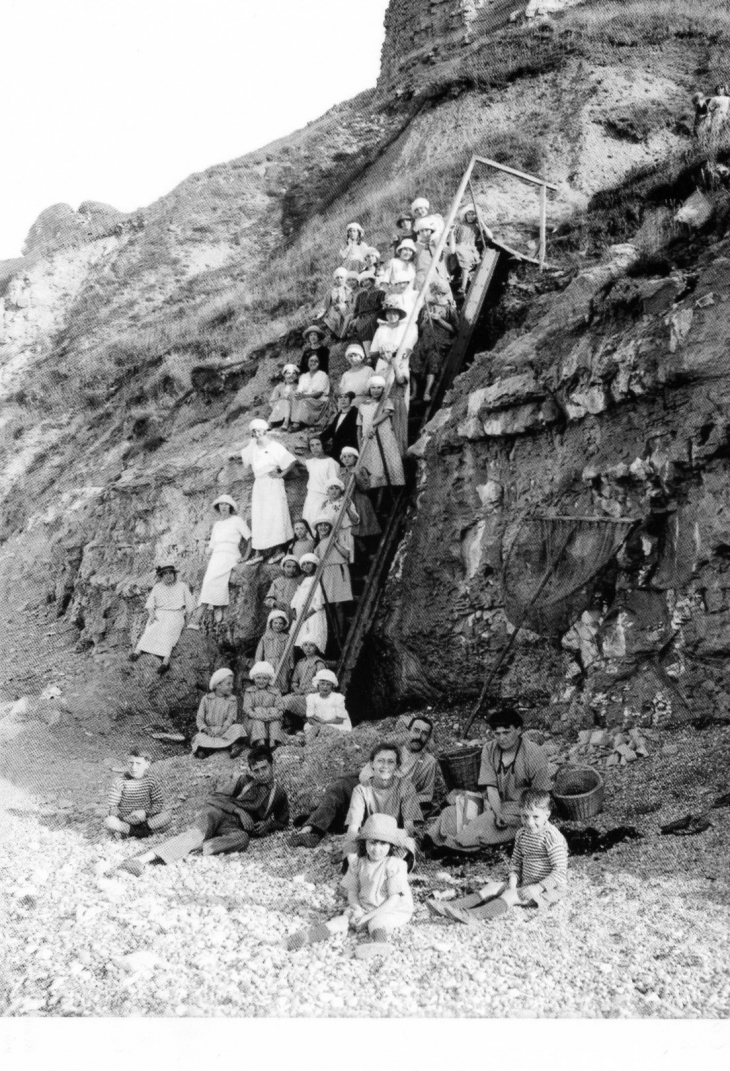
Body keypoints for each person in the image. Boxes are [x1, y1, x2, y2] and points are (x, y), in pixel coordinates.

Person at [115, 745, 289, 875]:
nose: (261, 773)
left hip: (235, 828)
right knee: (196, 834)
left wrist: (268, 825)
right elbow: (215, 797)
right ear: (250, 769)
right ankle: (141, 860)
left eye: (264, 768)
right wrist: (239, 811)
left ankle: (191, 849)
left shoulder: (279, 793)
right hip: (217, 813)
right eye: (256, 770)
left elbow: (282, 820)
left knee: (242, 840)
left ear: (272, 765)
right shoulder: (242, 780)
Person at [290, 717, 437, 848]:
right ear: (408, 732)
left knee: (363, 818)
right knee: (339, 787)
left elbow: (426, 796)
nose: (419, 736)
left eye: (424, 733)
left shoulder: (429, 763)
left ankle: (319, 817)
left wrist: (403, 799)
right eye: (416, 730)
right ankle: (310, 831)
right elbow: (365, 773)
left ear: (428, 737)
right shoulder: (392, 748)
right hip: (372, 784)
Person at [284, 814, 414, 960]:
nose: (377, 849)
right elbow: (352, 892)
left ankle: (380, 944)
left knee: (377, 922)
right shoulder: (358, 863)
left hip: (392, 908)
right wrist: (357, 909)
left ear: (391, 846)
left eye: (383, 844)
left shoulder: (394, 865)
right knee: (342, 920)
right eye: (372, 843)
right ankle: (308, 937)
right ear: (364, 843)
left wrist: (368, 917)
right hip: (366, 905)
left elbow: (394, 899)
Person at [429, 789, 568, 924]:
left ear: (547, 815)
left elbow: (560, 871)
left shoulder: (552, 837)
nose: (530, 822)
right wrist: (513, 882)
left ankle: (473, 915)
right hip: (527, 881)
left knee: (511, 895)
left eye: (535, 817)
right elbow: (516, 861)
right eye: (525, 816)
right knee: (492, 887)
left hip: (548, 889)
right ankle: (451, 906)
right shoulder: (521, 834)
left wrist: (538, 888)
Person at [426, 708, 551, 853]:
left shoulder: (533, 753)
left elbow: (541, 796)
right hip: (495, 802)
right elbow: (491, 787)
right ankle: (431, 840)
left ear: (518, 730)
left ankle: (456, 845)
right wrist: (498, 812)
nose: (501, 738)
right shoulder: (489, 749)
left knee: (484, 823)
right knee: (451, 811)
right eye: (497, 734)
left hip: (522, 807)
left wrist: (528, 817)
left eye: (506, 732)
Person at [343, 741, 422, 863]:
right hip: (370, 838)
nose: (385, 766)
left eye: (391, 762)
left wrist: (387, 836)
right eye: (380, 761)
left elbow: (409, 828)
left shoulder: (407, 787)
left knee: (410, 844)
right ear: (372, 764)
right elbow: (354, 827)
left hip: (395, 838)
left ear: (397, 766)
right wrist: (353, 849)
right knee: (351, 851)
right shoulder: (361, 790)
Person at [240, 419, 297, 565]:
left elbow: (291, 461)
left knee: (275, 516)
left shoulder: (274, 446)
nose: (257, 434)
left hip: (273, 483)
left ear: (265, 431)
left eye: (259, 430)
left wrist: (280, 475)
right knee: (259, 517)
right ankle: (259, 553)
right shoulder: (252, 447)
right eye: (254, 431)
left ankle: (279, 550)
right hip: (259, 485)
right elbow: (245, 459)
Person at [191, 496, 251, 624]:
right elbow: (212, 545)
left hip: (230, 553)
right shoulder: (217, 524)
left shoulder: (237, 520)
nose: (224, 507)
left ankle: (218, 606)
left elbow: (250, 538)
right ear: (218, 507)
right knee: (207, 581)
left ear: (231, 507)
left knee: (217, 578)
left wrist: (245, 557)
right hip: (217, 555)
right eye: (221, 505)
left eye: (226, 504)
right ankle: (215, 606)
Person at [130, 562, 195, 673]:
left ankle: (165, 661)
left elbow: (190, 607)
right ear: (161, 576)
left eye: (171, 573)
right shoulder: (157, 587)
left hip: (176, 613)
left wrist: (186, 623)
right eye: (165, 574)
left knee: (168, 631)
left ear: (174, 574)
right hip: (160, 612)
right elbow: (150, 604)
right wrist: (152, 615)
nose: (168, 576)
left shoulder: (182, 586)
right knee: (152, 628)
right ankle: (138, 651)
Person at [371, 299, 416, 456]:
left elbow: (409, 348)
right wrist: (384, 354)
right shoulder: (381, 329)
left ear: (399, 314)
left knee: (397, 403)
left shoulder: (409, 327)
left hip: (400, 363)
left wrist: (395, 359)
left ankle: (399, 453)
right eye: (389, 313)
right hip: (383, 364)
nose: (391, 316)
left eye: (394, 313)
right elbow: (373, 351)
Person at [357, 376, 406, 501]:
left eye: (379, 388)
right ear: (369, 389)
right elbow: (360, 424)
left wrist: (373, 424)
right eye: (373, 388)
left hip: (384, 435)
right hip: (369, 438)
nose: (376, 390)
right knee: (375, 463)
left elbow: (386, 413)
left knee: (389, 460)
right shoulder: (363, 405)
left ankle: (394, 490)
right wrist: (361, 440)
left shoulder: (385, 402)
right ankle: (377, 492)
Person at [105, 748, 172, 839]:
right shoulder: (119, 781)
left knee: (166, 816)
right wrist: (124, 818)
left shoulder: (151, 781)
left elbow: (158, 803)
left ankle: (137, 831)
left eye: (138, 763)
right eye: (131, 763)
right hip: (126, 820)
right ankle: (140, 833)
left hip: (145, 821)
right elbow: (113, 807)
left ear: (147, 765)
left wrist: (146, 813)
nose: (134, 767)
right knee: (110, 821)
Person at [411, 278, 458, 403]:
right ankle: (414, 392)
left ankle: (427, 392)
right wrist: (425, 320)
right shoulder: (426, 306)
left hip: (440, 341)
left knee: (434, 361)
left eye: (441, 294)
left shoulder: (449, 308)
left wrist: (440, 321)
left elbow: (455, 329)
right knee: (414, 359)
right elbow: (420, 329)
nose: (438, 296)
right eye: (436, 293)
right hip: (425, 338)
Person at [192, 667, 246, 760]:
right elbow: (200, 719)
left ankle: (233, 746)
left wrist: (223, 730)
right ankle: (207, 750)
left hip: (225, 731)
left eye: (232, 684)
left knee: (238, 728)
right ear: (218, 685)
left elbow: (230, 719)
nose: (232, 686)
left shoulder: (232, 700)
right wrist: (207, 730)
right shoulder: (206, 699)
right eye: (228, 684)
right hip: (210, 733)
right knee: (198, 737)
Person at [314, 517, 353, 641]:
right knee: (328, 604)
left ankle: (342, 633)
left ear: (330, 527)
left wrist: (335, 543)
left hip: (338, 570)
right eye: (320, 525)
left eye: (326, 525)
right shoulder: (317, 543)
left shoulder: (337, 538)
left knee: (338, 604)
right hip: (326, 572)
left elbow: (346, 554)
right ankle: (334, 632)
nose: (323, 527)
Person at [282, 639, 326, 730]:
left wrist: (305, 691)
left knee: (290, 701)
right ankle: (293, 725)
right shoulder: (300, 662)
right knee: (281, 700)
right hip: (301, 693)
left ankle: (308, 722)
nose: (308, 648)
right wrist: (296, 689)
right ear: (302, 647)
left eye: (311, 645)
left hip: (313, 694)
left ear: (316, 647)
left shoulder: (319, 663)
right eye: (305, 645)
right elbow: (294, 681)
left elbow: (322, 684)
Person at [339, 446, 381, 542]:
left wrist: (357, 474)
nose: (347, 459)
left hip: (359, 500)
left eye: (349, 456)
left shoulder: (361, 470)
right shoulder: (341, 472)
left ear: (355, 458)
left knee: (362, 526)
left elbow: (365, 487)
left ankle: (367, 549)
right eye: (344, 457)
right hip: (347, 501)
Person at [299, 434, 341, 528]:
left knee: (321, 523)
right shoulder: (310, 462)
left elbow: (333, 484)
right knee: (308, 522)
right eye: (312, 445)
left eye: (318, 444)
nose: (315, 448)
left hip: (324, 498)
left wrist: (329, 502)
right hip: (311, 497)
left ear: (323, 445)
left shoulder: (331, 462)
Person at [290, 552, 328, 655]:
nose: (306, 566)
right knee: (299, 639)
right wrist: (293, 609)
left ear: (314, 565)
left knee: (311, 637)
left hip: (312, 614)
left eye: (309, 563)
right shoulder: (303, 580)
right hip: (299, 615)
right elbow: (296, 598)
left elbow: (319, 602)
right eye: (304, 564)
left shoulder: (317, 580)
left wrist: (307, 615)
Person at [243, 662, 285, 748]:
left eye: (265, 678)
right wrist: (258, 716)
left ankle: (273, 742)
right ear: (253, 678)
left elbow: (281, 708)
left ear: (269, 679)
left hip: (270, 721)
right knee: (258, 710)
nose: (261, 681)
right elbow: (247, 708)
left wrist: (274, 716)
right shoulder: (249, 692)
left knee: (274, 710)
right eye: (258, 678)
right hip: (254, 723)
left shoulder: (275, 691)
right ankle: (260, 742)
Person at [304, 668, 352, 738]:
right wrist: (319, 725)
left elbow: (340, 720)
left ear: (332, 686)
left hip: (335, 725)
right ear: (318, 685)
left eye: (328, 684)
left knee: (332, 736)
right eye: (322, 684)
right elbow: (310, 718)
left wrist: (325, 723)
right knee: (311, 733)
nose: (325, 687)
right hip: (317, 724)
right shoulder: (311, 697)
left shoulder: (338, 698)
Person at [289, 353, 331, 431]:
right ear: (308, 362)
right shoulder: (304, 376)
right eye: (311, 361)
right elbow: (299, 390)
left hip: (319, 402)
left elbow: (319, 394)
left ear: (319, 363)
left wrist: (304, 396)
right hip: (306, 398)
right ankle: (297, 421)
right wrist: (297, 394)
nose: (313, 363)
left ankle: (298, 424)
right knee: (294, 398)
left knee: (303, 401)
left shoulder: (323, 375)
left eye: (316, 361)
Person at [254, 609, 293, 692]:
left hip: (282, 664)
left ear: (284, 625)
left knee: (281, 684)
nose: (277, 625)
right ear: (271, 623)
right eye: (275, 623)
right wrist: (259, 665)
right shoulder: (265, 637)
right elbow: (259, 654)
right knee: (269, 683)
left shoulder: (286, 638)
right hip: (269, 663)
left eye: (280, 623)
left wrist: (290, 667)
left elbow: (290, 654)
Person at [351, 271, 383, 358]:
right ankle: (369, 355)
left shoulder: (380, 293)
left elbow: (383, 307)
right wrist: (356, 319)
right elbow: (356, 310)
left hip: (375, 314)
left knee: (368, 325)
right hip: (362, 317)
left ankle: (371, 355)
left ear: (372, 280)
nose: (365, 283)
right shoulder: (360, 295)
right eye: (363, 282)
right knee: (360, 325)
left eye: (367, 280)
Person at [322, 391, 360, 458]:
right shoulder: (339, 415)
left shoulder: (355, 413)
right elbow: (330, 431)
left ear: (350, 399)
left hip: (349, 452)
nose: (343, 399)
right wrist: (317, 438)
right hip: (337, 451)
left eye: (346, 397)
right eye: (340, 397)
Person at [338, 344, 373, 408]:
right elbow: (342, 392)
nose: (353, 358)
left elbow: (375, 389)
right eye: (350, 356)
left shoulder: (368, 370)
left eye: (355, 355)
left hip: (365, 404)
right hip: (349, 405)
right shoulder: (346, 375)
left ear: (361, 357)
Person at [322, 267, 353, 339]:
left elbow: (351, 301)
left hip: (347, 310)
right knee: (333, 312)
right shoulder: (331, 291)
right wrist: (322, 313)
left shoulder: (349, 289)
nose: (339, 280)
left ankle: (347, 332)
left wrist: (342, 306)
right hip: (335, 312)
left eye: (341, 277)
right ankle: (337, 334)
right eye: (337, 278)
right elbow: (325, 304)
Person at [268, 363, 299, 429]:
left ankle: (275, 422)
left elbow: (301, 400)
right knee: (284, 401)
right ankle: (280, 422)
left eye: (293, 373)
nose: (291, 375)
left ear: (296, 376)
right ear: (284, 375)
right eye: (288, 373)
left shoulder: (299, 387)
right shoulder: (279, 387)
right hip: (280, 409)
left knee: (287, 401)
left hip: (293, 410)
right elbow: (272, 401)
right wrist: (281, 399)